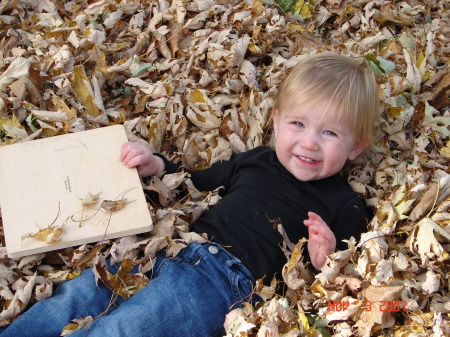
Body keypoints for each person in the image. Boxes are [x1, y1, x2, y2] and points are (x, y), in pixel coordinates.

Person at [0, 52, 379, 337]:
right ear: (277, 121)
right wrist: (156, 166)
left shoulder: (344, 204)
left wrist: (326, 259)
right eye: (298, 123)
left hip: (222, 282)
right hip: (172, 247)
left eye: (329, 133)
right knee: (73, 299)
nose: (309, 142)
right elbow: (197, 181)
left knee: (126, 330)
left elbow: (342, 287)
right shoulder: (257, 160)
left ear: (355, 147)